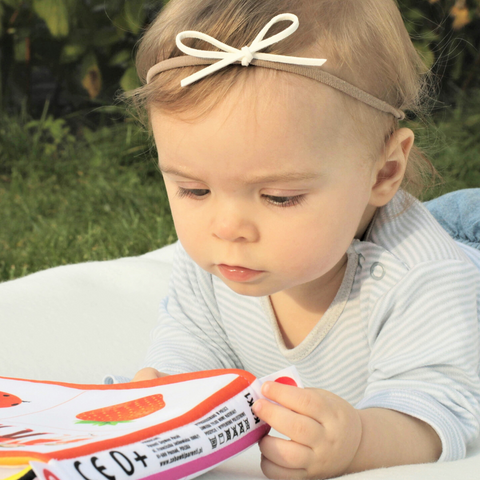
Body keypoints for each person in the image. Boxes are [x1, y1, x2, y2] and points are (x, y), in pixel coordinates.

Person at [120, 0, 480, 478]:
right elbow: (192, 347)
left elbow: (441, 409)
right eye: (195, 190)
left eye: (278, 196)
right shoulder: (215, 259)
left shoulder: (421, 277)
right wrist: (166, 394)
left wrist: (359, 441)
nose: (227, 228)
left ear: (384, 171)